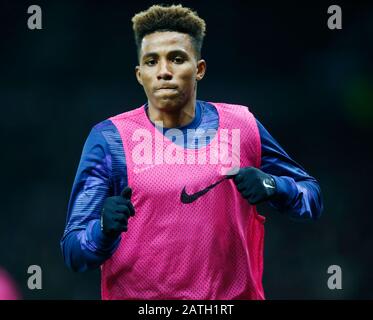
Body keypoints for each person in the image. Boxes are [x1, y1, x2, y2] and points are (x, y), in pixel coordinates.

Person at [61, 4, 323, 300]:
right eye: (151, 62)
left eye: (176, 59)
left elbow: (311, 198)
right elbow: (73, 250)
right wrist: (103, 230)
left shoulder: (242, 126)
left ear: (199, 69)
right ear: (139, 74)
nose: (164, 72)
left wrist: (276, 186)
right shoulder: (110, 139)